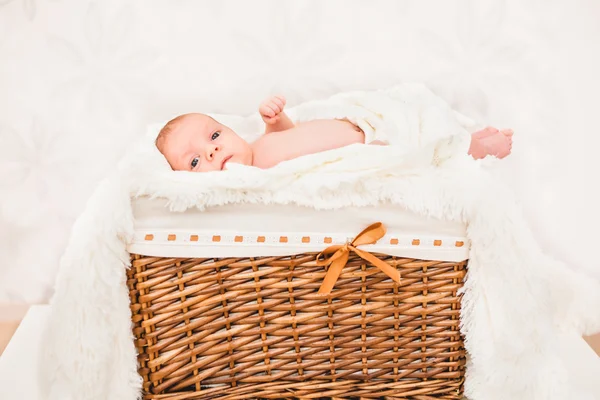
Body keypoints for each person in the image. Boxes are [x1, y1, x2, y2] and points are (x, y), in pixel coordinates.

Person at [155, 95, 513, 172]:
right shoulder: (251, 179)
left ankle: (470, 136)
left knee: (420, 118)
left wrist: (275, 122)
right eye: (196, 160)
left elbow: (287, 137)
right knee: (435, 156)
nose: (213, 151)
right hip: (376, 155)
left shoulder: (257, 145)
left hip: (367, 127)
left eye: (214, 136)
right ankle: (482, 147)